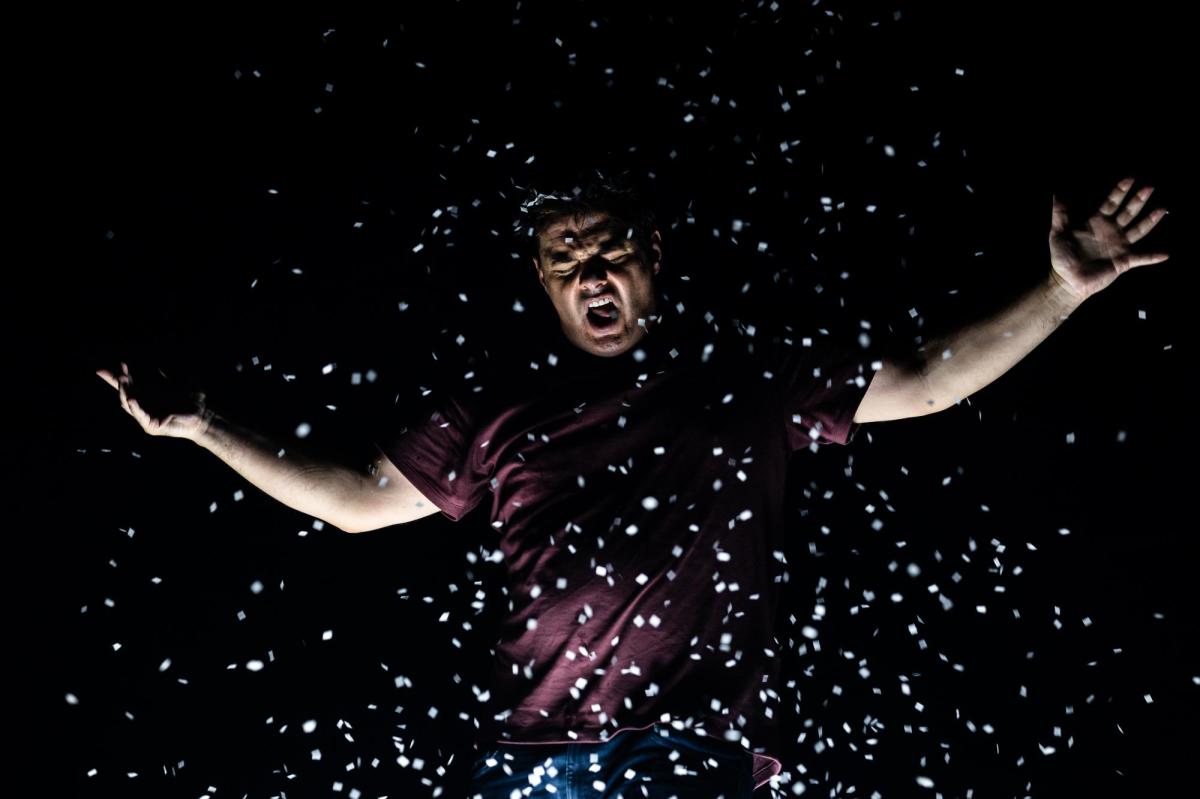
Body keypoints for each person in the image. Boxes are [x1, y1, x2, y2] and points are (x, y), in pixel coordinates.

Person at [96, 169, 1170, 796]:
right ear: (544, 283)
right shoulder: (496, 408)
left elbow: (925, 381)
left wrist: (1062, 291)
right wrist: (205, 426)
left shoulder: (738, 375)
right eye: (567, 264)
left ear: (651, 253)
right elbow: (355, 499)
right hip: (536, 760)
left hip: (691, 754)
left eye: (608, 251)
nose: (591, 278)